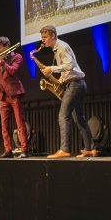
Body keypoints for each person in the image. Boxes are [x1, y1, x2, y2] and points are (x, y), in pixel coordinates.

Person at [38, 25, 96, 158]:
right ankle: (90, 148)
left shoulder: (61, 47)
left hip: (75, 84)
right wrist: (61, 79)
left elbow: (70, 65)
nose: (43, 40)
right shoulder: (58, 48)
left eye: (45, 37)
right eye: (42, 37)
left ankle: (64, 149)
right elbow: (69, 68)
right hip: (77, 83)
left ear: (53, 35)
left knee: (63, 115)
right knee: (79, 117)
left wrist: (51, 69)